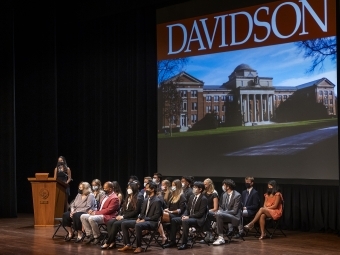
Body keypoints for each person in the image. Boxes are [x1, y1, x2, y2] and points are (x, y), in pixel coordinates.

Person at [118, 182, 162, 253]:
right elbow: (142, 213)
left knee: (138, 225)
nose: (146, 189)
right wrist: (139, 218)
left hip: (152, 222)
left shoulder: (157, 201)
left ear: (152, 189)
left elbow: (156, 216)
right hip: (143, 220)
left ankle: (139, 246)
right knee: (124, 224)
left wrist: (144, 219)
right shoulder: (145, 200)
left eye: (147, 188)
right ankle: (128, 244)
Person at [164, 181, 208, 250]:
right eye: (193, 187)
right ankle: (172, 241)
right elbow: (187, 209)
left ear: (200, 189)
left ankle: (184, 243)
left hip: (198, 219)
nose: (193, 188)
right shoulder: (191, 197)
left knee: (185, 221)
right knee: (174, 220)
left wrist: (188, 217)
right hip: (190, 217)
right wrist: (184, 215)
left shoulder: (203, 199)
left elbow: (200, 213)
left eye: (195, 187)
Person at [101, 182, 143, 249]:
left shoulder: (139, 198)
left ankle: (108, 242)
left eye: (129, 188)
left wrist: (123, 217)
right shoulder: (128, 197)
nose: (128, 189)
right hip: (124, 216)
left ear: (134, 189)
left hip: (132, 218)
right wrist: (119, 215)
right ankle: (113, 242)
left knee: (116, 224)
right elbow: (123, 208)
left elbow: (136, 212)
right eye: (128, 188)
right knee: (109, 222)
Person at [213, 179, 241, 246]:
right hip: (224, 215)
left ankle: (220, 237)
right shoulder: (224, 195)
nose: (223, 186)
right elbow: (222, 207)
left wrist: (222, 212)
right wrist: (220, 211)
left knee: (219, 214)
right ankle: (209, 235)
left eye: (224, 185)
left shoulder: (237, 195)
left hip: (234, 217)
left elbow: (235, 211)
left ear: (228, 187)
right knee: (210, 213)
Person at [159, 179, 186, 245]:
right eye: (172, 185)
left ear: (178, 186)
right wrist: (167, 209)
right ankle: (163, 235)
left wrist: (171, 212)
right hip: (170, 214)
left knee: (159, 215)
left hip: (177, 215)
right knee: (159, 214)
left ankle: (162, 235)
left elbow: (180, 210)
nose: (172, 187)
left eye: (174, 185)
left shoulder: (181, 196)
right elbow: (169, 207)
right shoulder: (173, 196)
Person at [202, 178, 219, 243]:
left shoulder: (214, 194)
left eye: (205, 184)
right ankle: (207, 235)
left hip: (212, 212)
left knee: (206, 215)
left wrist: (206, 211)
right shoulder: (203, 193)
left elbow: (215, 208)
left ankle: (209, 235)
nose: (204, 185)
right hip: (205, 212)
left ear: (209, 184)